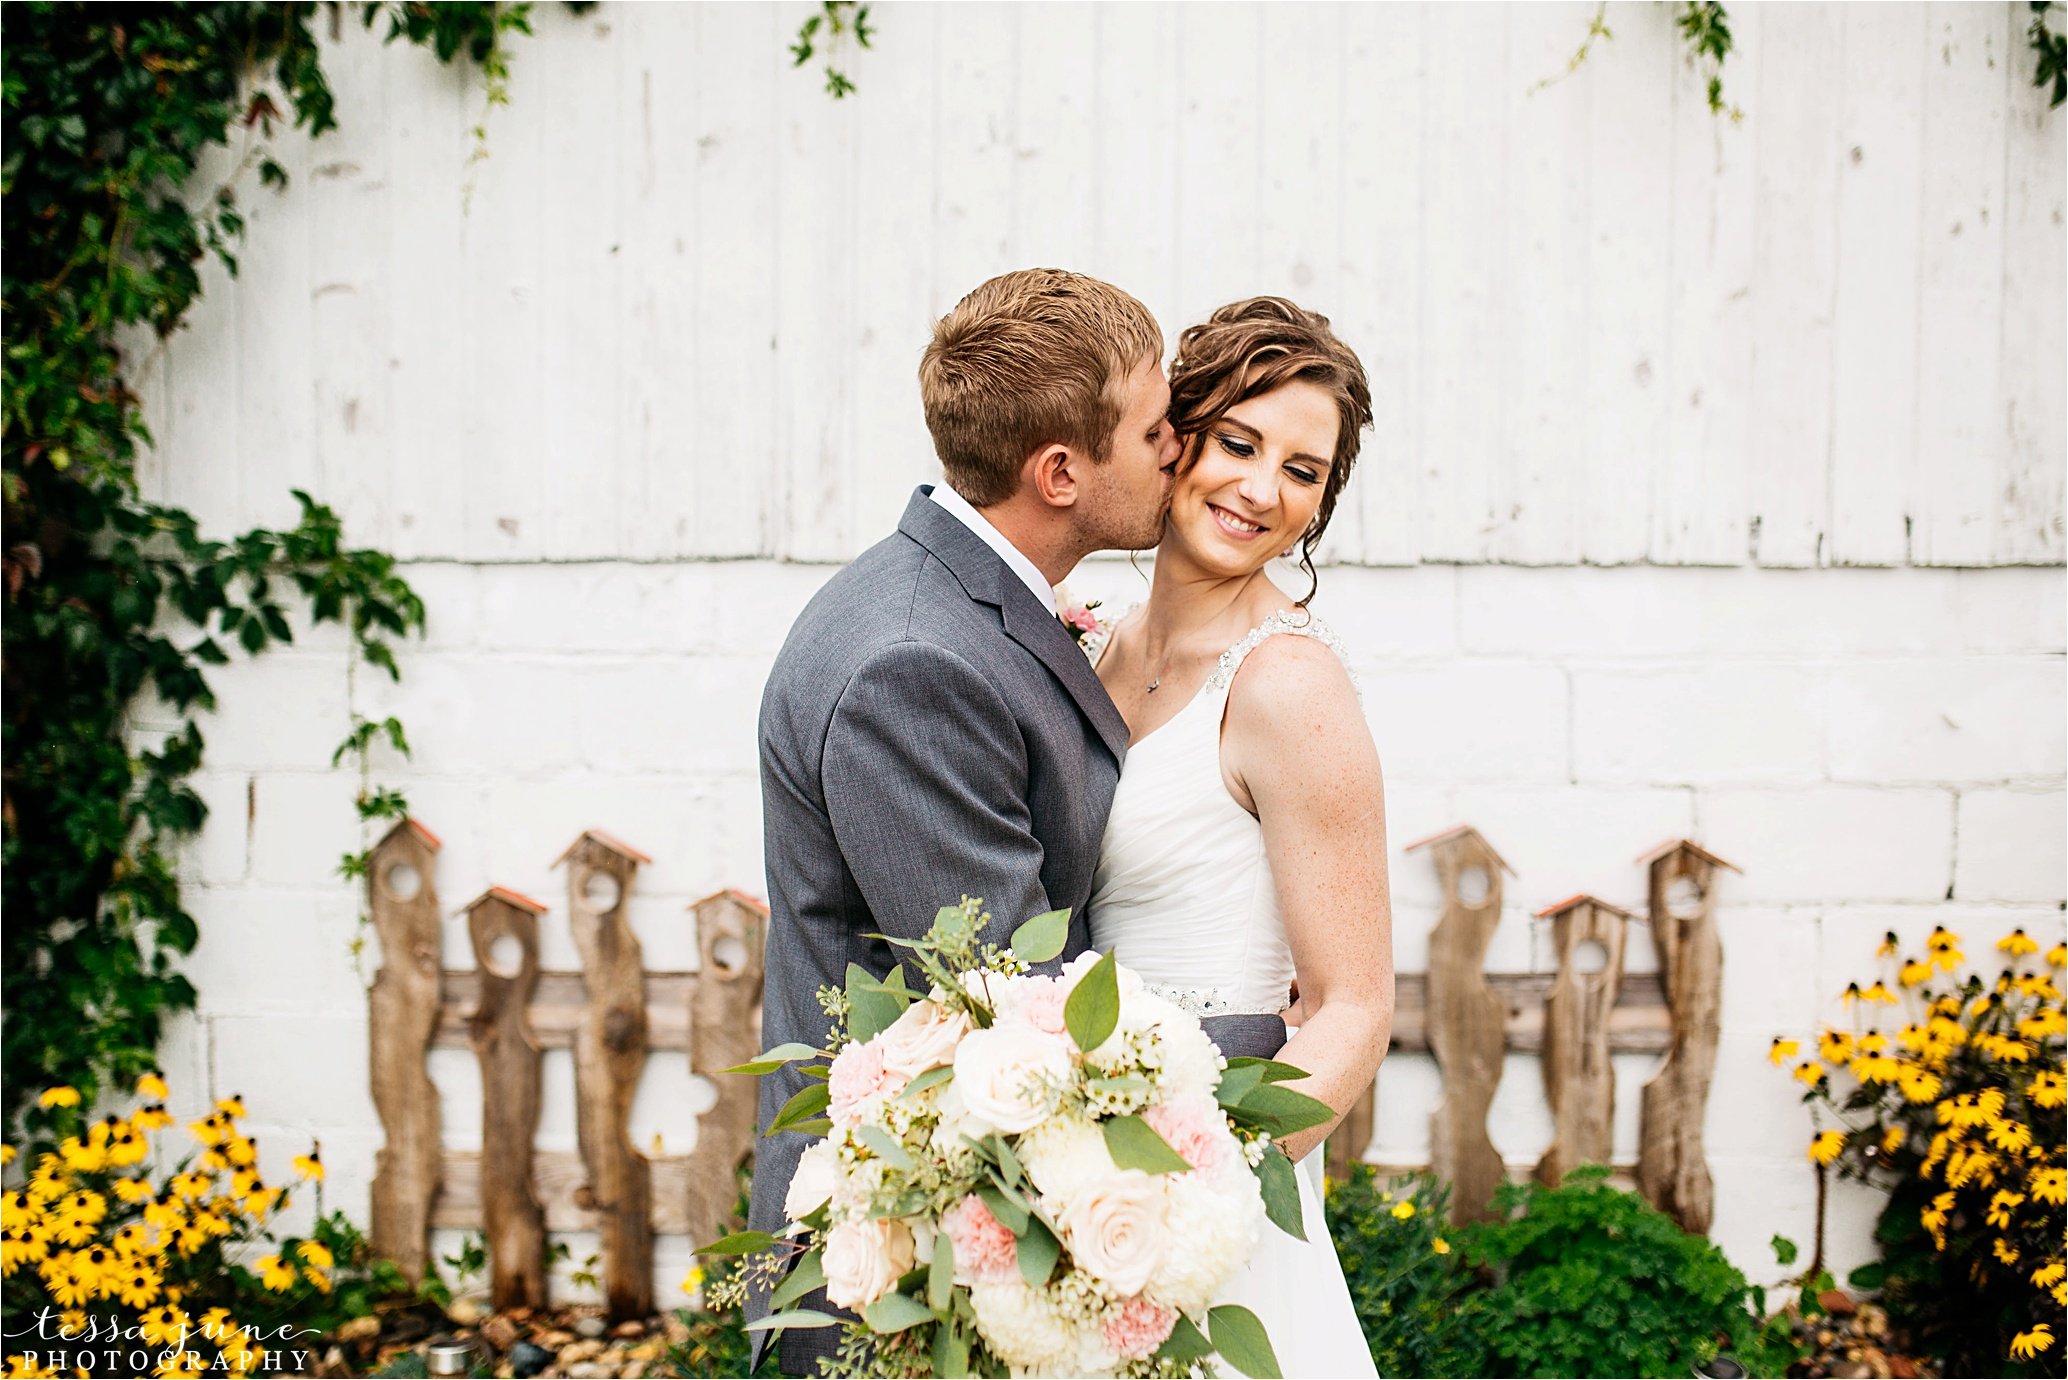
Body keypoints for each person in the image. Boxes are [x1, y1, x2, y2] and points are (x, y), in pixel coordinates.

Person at [749, 269, 1290, 1376]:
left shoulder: (956, 605)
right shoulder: (914, 660)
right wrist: (1261, 1027)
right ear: (1059, 473)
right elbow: (1008, 994)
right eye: (1154, 431)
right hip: (902, 1278)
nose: (1178, 452)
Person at [1085, 296, 1394, 1379]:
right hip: (1076, 1175)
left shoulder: (1287, 683)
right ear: (1177, 437)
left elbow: (1354, 1007)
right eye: (1238, 443)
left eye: (1303, 472)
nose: (1261, 490)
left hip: (1208, 1205)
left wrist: (1193, 1199)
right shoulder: (1093, 647)